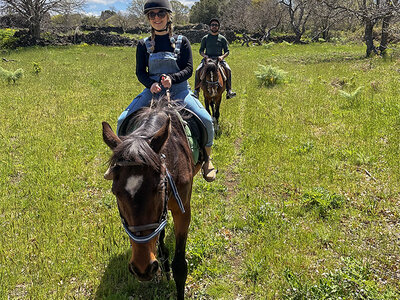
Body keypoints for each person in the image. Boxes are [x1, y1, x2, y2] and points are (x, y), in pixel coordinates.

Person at [104, 0, 217, 182]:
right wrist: (150, 84)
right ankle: (117, 162)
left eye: (160, 14)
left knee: (205, 119)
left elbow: (188, 68)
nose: (156, 18)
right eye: (152, 15)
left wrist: (173, 79)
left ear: (168, 16)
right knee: (122, 119)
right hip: (152, 91)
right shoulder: (143, 45)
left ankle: (207, 160)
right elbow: (140, 72)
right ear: (148, 18)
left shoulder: (182, 42)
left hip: (180, 91)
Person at [193, 18, 236, 100]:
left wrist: (222, 57)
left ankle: (229, 90)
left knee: (228, 69)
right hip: (208, 59)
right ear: (210, 27)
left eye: (216, 25)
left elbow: (227, 51)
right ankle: (196, 91)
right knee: (198, 70)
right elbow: (201, 50)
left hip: (219, 60)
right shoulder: (205, 38)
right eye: (212, 25)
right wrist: (205, 56)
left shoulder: (222, 38)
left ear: (218, 27)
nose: (214, 26)